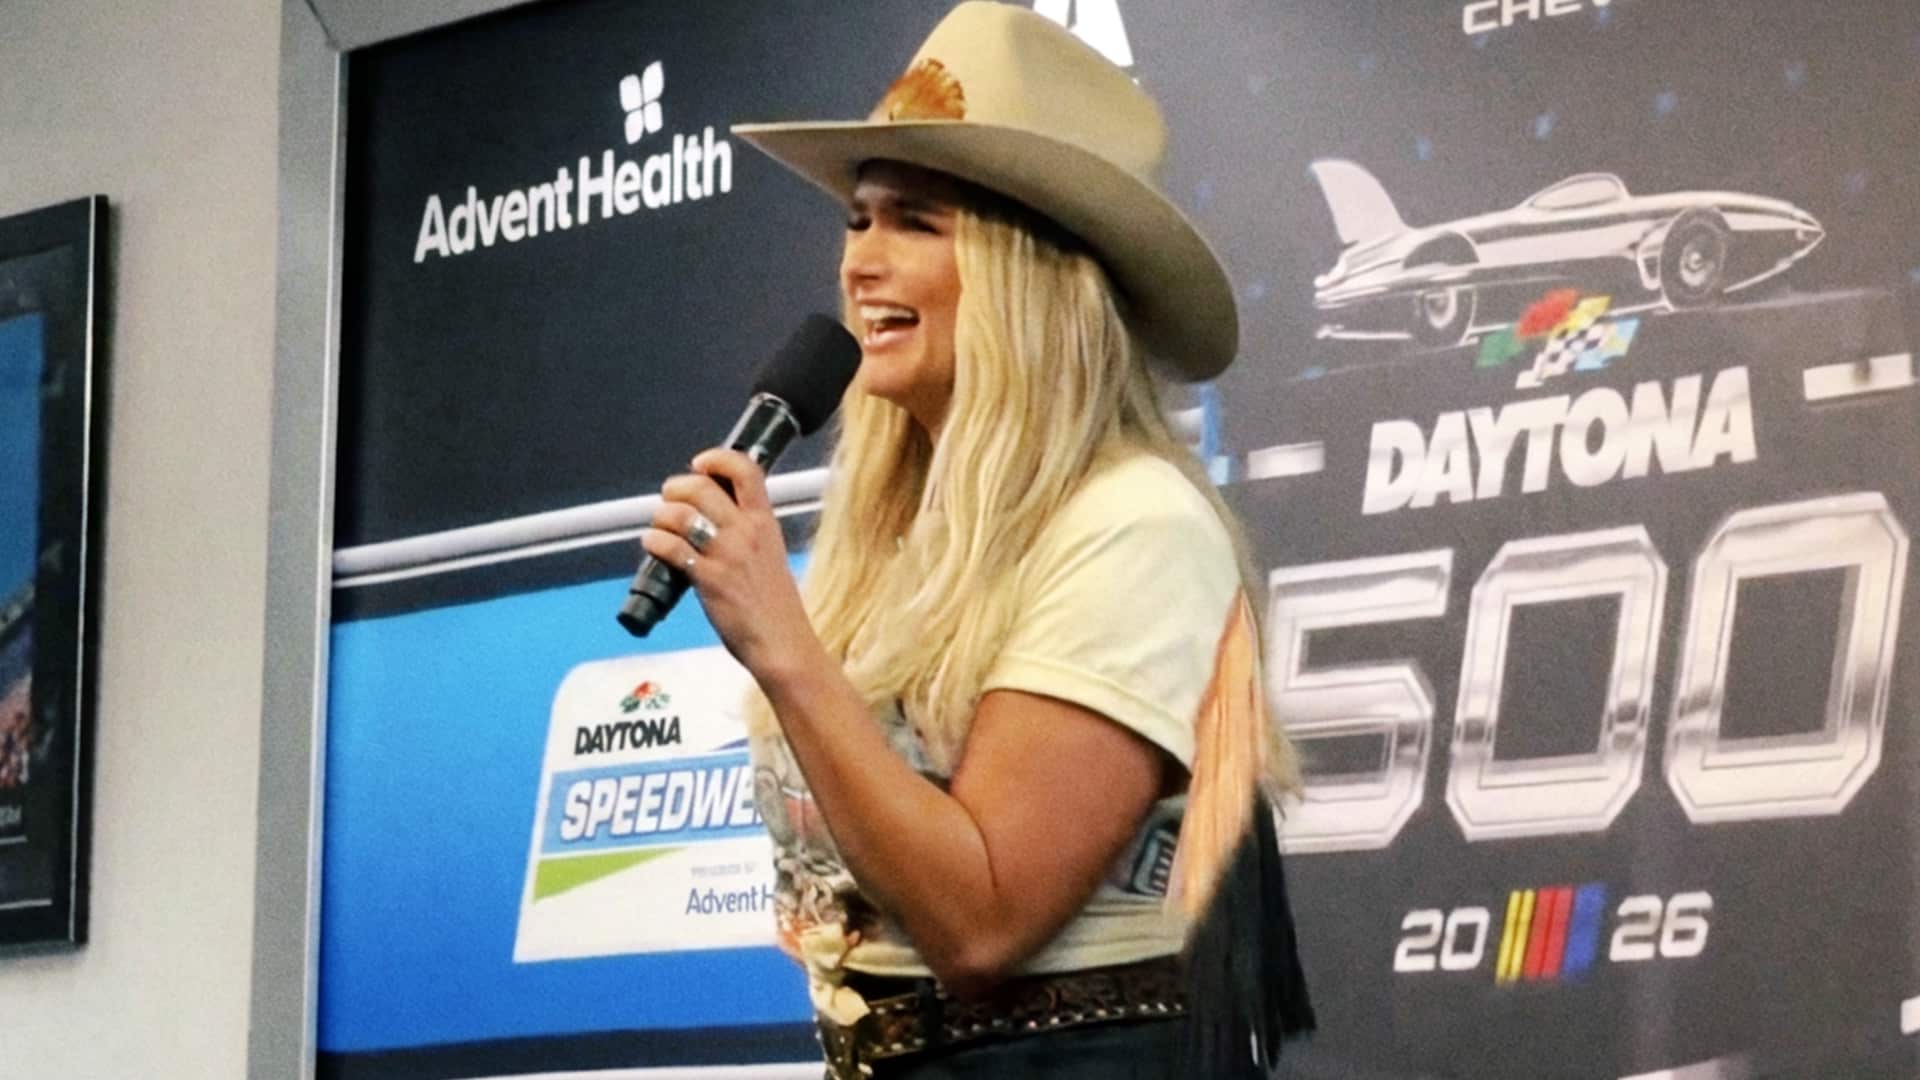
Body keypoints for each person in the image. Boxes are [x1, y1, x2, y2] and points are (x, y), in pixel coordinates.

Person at [641, 4, 1312, 1076]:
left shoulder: (1135, 524)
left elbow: (983, 924)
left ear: (1027, 274)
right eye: (858, 220)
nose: (861, 264)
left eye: (916, 223)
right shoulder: (905, 539)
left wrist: (784, 647)